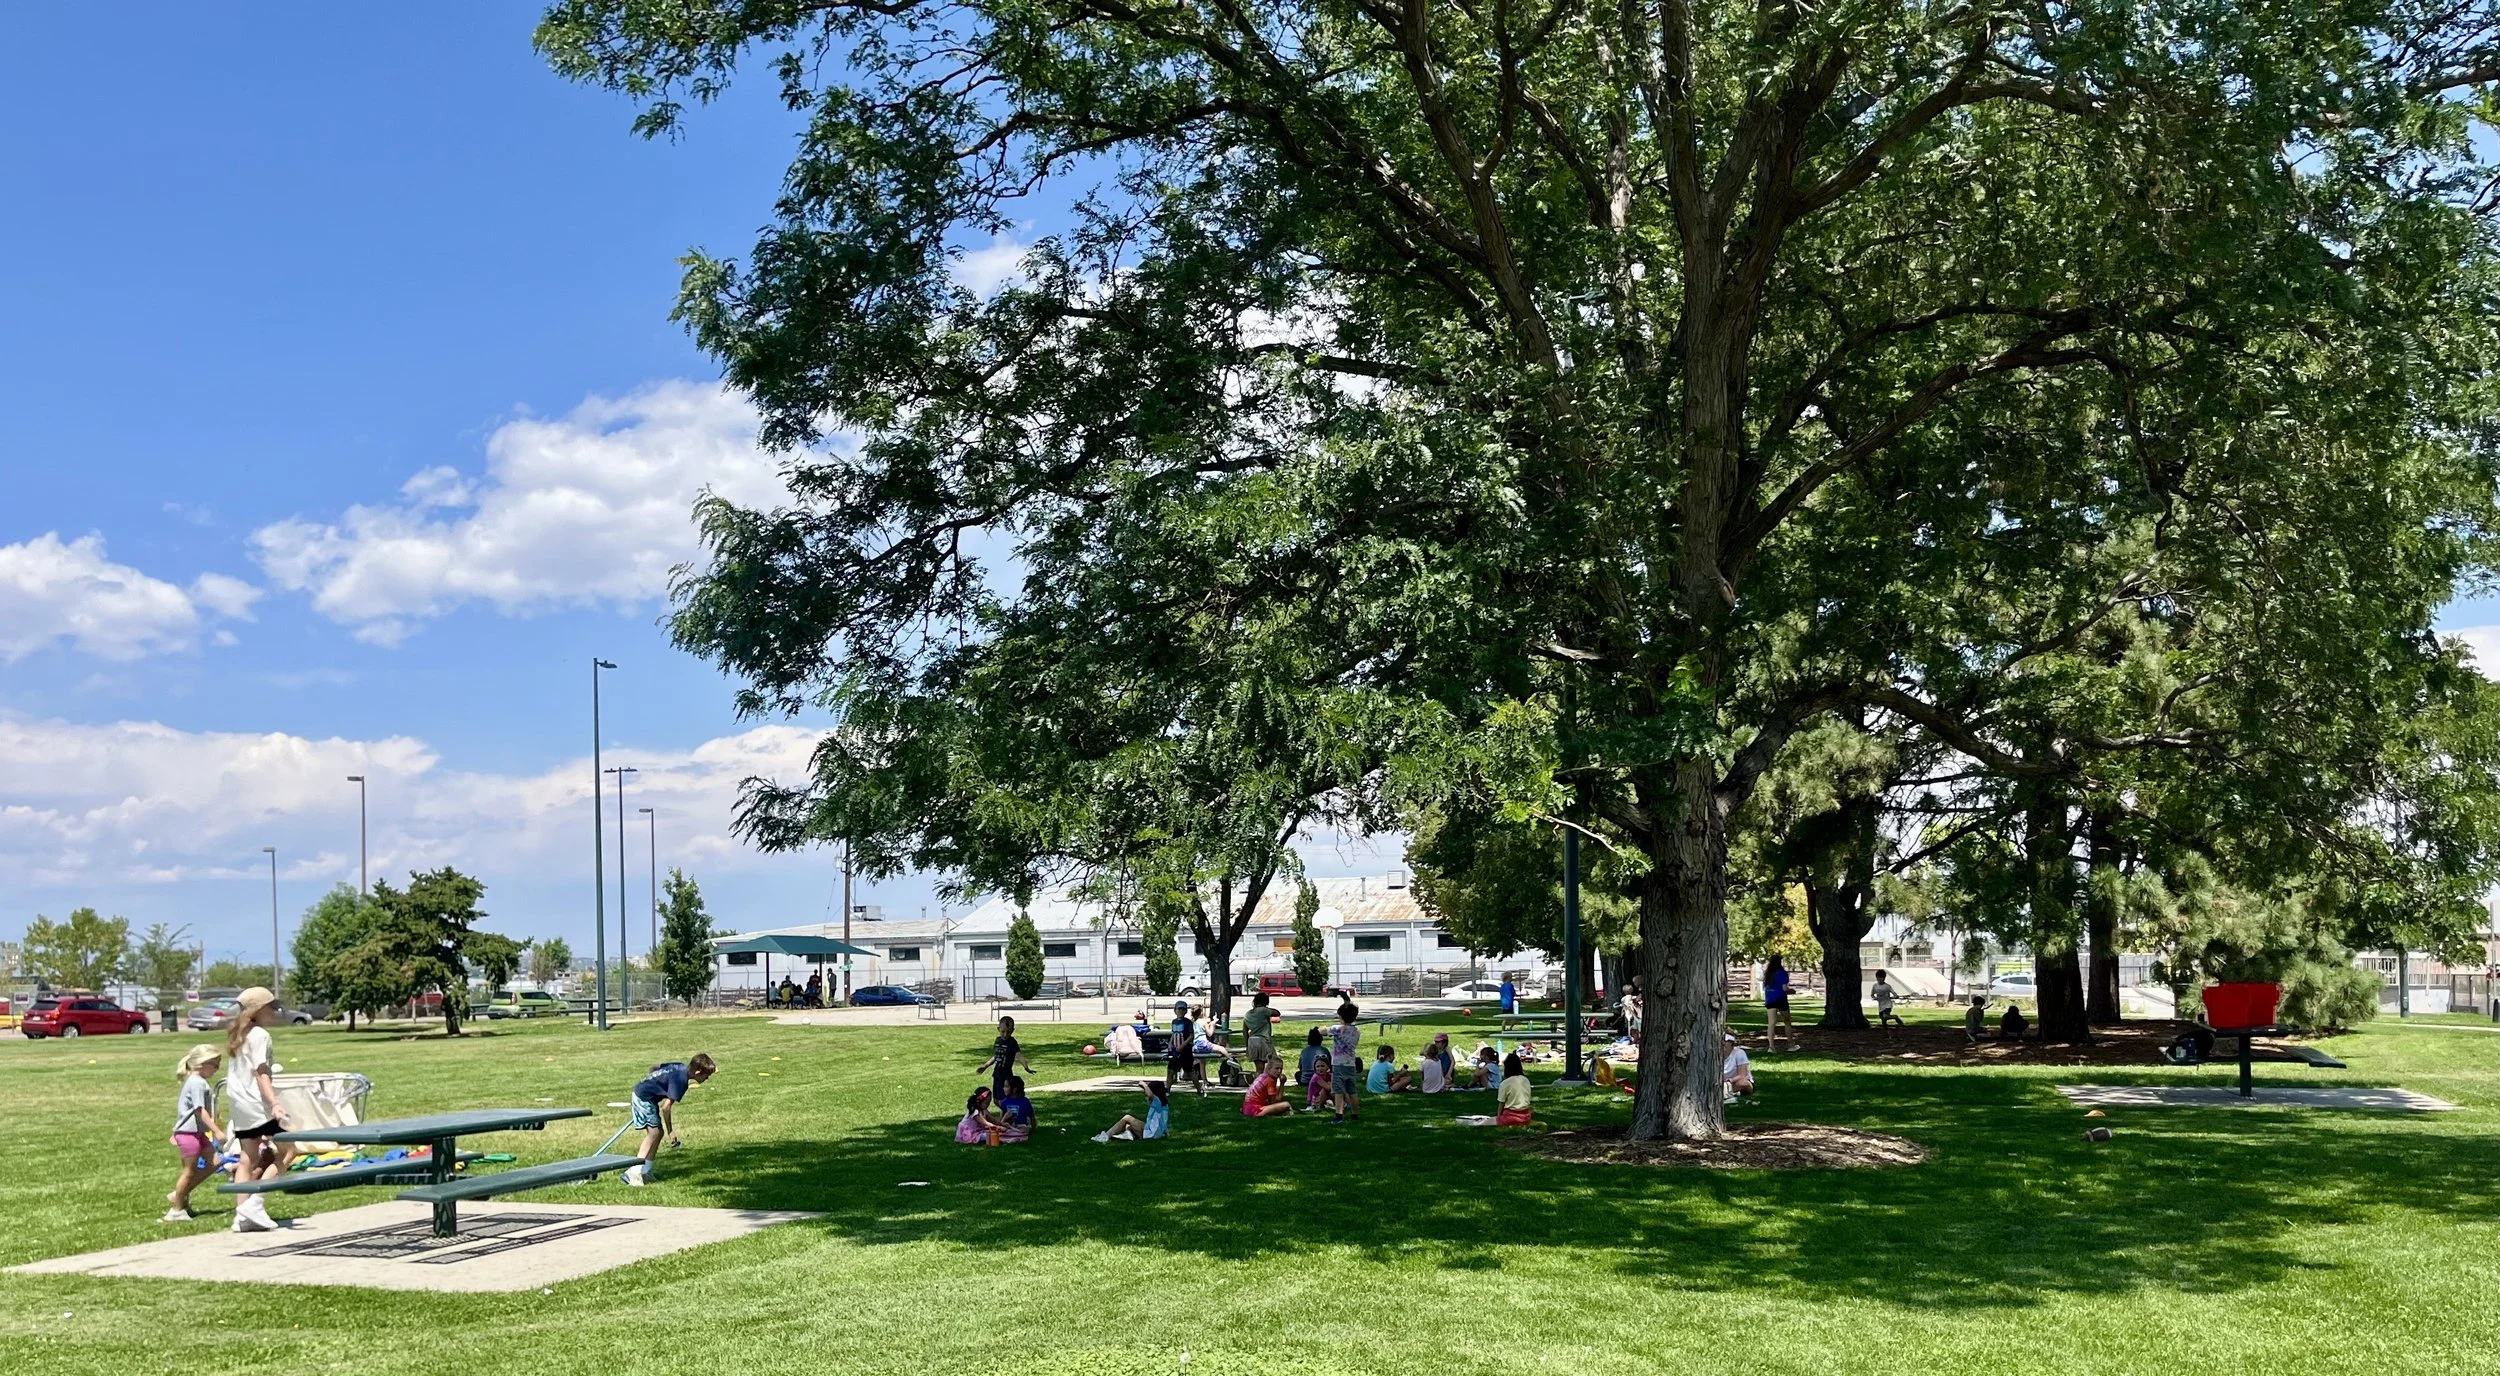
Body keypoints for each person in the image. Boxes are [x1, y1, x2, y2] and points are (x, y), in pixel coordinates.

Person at [223, 987, 291, 1233]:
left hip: (238, 1102)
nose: (274, 1011)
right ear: (259, 1009)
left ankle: (241, 1215)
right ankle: (256, 1203)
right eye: (271, 1007)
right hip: (255, 1102)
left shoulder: (239, 1034)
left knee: (247, 1158)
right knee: (289, 1151)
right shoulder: (260, 1034)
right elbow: (261, 1073)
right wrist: (274, 1103)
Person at [623, 1052, 717, 1186]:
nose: (707, 1078)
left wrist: (656, 1082)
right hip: (642, 1097)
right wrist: (671, 1131)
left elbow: (655, 1068)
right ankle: (633, 1172)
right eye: (706, 1075)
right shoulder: (681, 1082)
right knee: (654, 1133)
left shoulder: (679, 1067)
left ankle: (645, 1171)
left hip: (647, 1095)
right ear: (697, 1072)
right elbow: (666, 1108)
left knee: (657, 1133)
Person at [167, 1043, 221, 1222]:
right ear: (202, 1063)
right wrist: (217, 1131)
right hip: (189, 1133)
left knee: (214, 1162)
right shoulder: (197, 1082)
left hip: (197, 1133)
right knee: (189, 1171)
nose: (217, 1069)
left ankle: (179, 1196)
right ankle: (176, 1210)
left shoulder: (199, 1082)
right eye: (215, 1065)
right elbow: (199, 1111)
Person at [978, 1015, 1036, 1103]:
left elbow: (1019, 1055)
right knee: (996, 1100)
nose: (1005, 1034)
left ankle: (1012, 1112)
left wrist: (1026, 1067)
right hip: (996, 1074)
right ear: (998, 1029)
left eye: (1008, 1032)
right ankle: (1008, 1113)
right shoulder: (998, 1040)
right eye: (1003, 1031)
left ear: (1013, 1030)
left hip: (1006, 1076)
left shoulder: (1012, 1042)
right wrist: (985, 1066)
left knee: (1004, 1099)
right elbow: (996, 1057)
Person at [1094, 1081, 1171, 1142]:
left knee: (1127, 1118)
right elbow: (1164, 1122)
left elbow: (1150, 1095)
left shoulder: (1157, 1102)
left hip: (1151, 1134)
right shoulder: (1164, 1105)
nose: (1146, 1097)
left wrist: (1144, 1084)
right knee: (1128, 1125)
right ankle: (1129, 1135)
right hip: (1157, 1133)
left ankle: (1106, 1136)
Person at [1329, 1001, 1363, 1123]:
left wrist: (1319, 1029)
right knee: (1352, 1091)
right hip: (1350, 1064)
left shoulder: (1336, 1029)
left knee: (1338, 1092)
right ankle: (1355, 1114)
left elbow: (1323, 1031)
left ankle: (1339, 1116)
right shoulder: (1356, 1031)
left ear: (1341, 1016)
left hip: (1338, 1065)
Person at [1166, 1000, 1205, 1097]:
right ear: (1175, 1010)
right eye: (1179, 1009)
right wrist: (1170, 1044)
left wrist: (1183, 1045)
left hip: (1186, 1052)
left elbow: (1191, 1036)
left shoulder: (1188, 1022)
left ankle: (1199, 1090)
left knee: (1191, 1072)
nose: (1181, 1011)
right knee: (1171, 1071)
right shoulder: (1174, 1022)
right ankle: (1167, 1090)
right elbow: (1173, 1034)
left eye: (1183, 1009)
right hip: (1175, 1051)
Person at [1243, 991, 1280, 1072]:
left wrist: (1247, 1046)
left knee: (1259, 1068)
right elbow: (1277, 1013)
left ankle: (1258, 1083)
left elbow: (1245, 1031)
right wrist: (1267, 1009)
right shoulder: (1263, 1010)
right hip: (1263, 1040)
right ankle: (1269, 1082)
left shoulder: (1247, 1014)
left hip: (1252, 1041)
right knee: (1274, 1063)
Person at [1763, 956, 1794, 1051]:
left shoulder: (1768, 974)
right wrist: (1792, 991)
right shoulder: (1782, 973)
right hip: (1781, 998)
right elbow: (1784, 988)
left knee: (1771, 1023)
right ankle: (1790, 1044)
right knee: (1787, 1020)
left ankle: (1771, 1046)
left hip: (1770, 999)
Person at [1493, 1053, 1533, 1126]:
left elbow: (1501, 1104)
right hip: (1526, 1116)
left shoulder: (1505, 1083)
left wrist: (1498, 1118)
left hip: (1511, 1117)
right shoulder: (1525, 1080)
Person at [997, 1075, 1036, 1143]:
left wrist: (1033, 1130)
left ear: (1014, 1089)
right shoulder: (1004, 1102)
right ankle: (1015, 1137)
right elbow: (1001, 1120)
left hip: (1021, 1125)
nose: (1003, 1088)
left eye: (1006, 1086)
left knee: (1024, 1130)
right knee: (1004, 1131)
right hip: (1009, 1125)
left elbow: (1032, 1116)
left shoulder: (1025, 1101)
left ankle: (1012, 1137)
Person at [1721, 1033, 1754, 1101]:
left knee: (1742, 1083)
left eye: (1726, 1041)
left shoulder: (1739, 1053)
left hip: (1735, 1081)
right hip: (1722, 1082)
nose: (1723, 1043)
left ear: (1731, 1043)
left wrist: (1730, 1081)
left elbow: (1742, 1075)